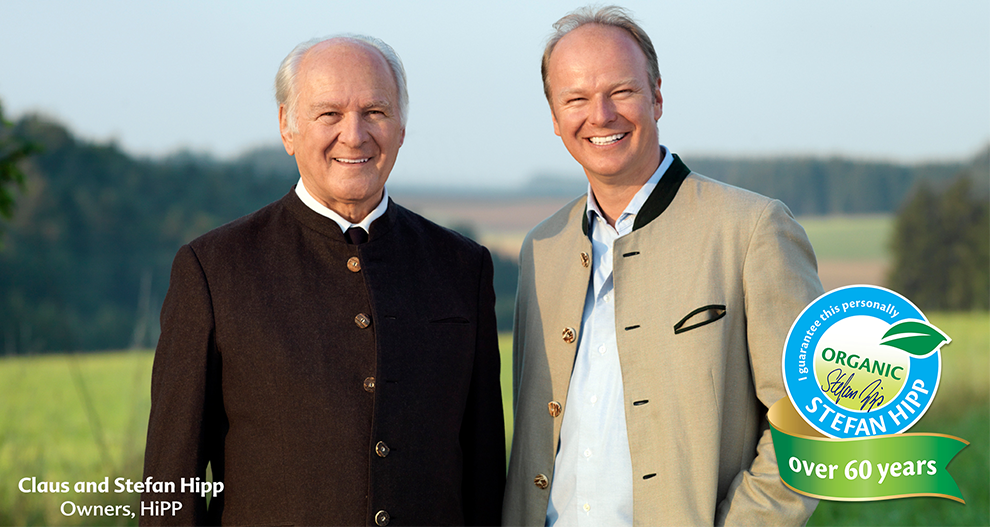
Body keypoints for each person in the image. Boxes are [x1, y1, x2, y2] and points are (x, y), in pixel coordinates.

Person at [142, 35, 504, 526]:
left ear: (401, 126)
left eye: (375, 111)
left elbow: (483, 475)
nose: (354, 135)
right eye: (328, 114)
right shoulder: (213, 269)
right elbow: (170, 488)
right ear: (287, 128)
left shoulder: (463, 266)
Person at [503, 6, 822, 526]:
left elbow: (812, 422)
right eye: (576, 99)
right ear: (556, 119)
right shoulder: (542, 247)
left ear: (656, 95)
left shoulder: (754, 228)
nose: (600, 115)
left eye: (621, 91)